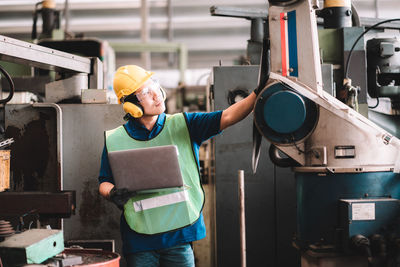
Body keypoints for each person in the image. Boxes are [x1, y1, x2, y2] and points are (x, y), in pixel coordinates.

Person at [98, 65, 258, 267]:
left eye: (155, 86)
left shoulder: (184, 125)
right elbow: (104, 181)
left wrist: (257, 94)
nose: (157, 95)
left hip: (178, 236)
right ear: (130, 104)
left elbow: (226, 117)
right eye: (146, 92)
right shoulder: (116, 139)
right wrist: (112, 193)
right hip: (140, 239)